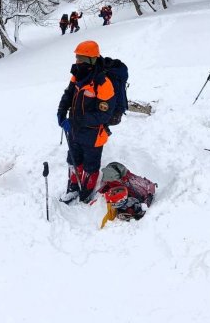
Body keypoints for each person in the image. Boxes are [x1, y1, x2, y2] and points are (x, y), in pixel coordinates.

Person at [57, 40, 116, 203]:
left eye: (81, 59)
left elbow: (105, 114)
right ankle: (73, 187)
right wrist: (61, 113)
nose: (77, 62)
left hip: (93, 134)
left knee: (90, 165)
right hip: (75, 130)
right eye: (77, 58)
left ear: (91, 60)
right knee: (73, 160)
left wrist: (78, 119)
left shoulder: (103, 83)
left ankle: (87, 189)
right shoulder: (77, 74)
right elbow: (68, 95)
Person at [98, 162, 156, 227]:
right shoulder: (108, 181)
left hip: (133, 196)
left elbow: (149, 189)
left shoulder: (133, 182)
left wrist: (142, 207)